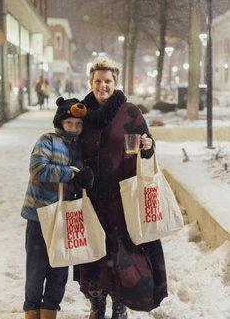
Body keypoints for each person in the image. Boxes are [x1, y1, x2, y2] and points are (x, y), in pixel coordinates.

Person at [75, 57, 167, 319]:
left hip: (122, 196)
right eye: (98, 81)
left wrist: (148, 147)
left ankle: (119, 302)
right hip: (90, 195)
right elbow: (69, 142)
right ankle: (96, 304)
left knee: (121, 252)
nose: (103, 85)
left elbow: (148, 145)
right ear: (90, 82)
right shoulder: (80, 113)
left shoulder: (129, 112)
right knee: (94, 250)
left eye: (108, 81)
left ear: (115, 83)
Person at [21, 96, 94, 319]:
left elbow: (82, 176)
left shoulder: (80, 149)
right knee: (36, 270)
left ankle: (50, 310)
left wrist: (84, 179)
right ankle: (32, 310)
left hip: (65, 217)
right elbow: (37, 169)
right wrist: (71, 172)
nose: (74, 128)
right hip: (39, 215)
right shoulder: (48, 140)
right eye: (69, 123)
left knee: (59, 270)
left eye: (79, 124)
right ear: (60, 122)